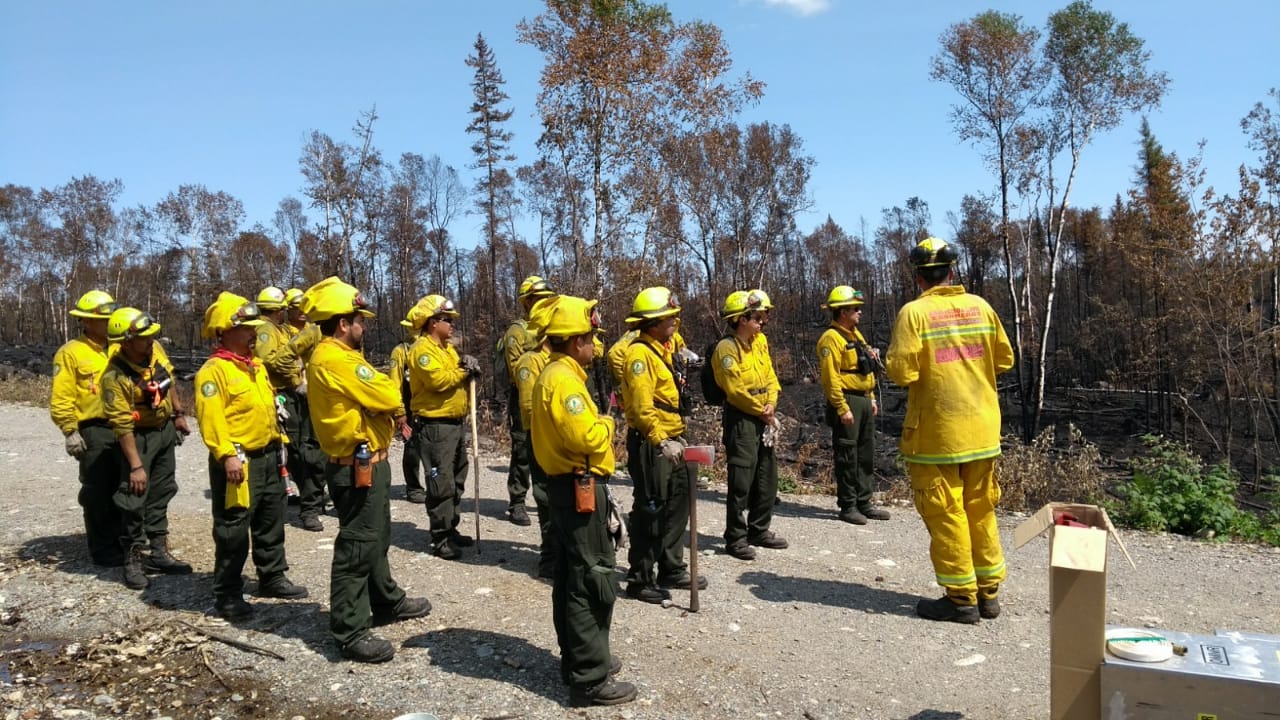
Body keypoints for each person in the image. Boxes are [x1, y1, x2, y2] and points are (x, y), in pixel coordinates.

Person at [885, 237, 1015, 624]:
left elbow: (901, 371)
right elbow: (1004, 359)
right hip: (983, 429)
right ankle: (988, 593)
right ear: (953, 271)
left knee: (946, 513)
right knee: (981, 509)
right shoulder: (982, 307)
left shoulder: (914, 314)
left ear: (918, 277)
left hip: (938, 434)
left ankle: (960, 599)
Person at [301, 276, 430, 662]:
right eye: (360, 319)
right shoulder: (334, 359)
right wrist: (379, 401)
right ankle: (350, 629)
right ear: (343, 323)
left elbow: (382, 396)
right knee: (358, 546)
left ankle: (386, 600)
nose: (365, 325)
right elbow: (390, 394)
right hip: (355, 466)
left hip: (371, 461)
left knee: (375, 538)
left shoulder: (344, 357)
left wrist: (375, 402)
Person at [530, 295, 635, 707]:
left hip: (570, 488)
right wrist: (608, 423)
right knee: (592, 578)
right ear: (576, 341)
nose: (597, 345)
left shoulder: (559, 374)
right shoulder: (563, 381)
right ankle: (590, 678)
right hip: (578, 490)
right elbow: (585, 437)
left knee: (574, 577)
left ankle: (582, 659)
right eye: (592, 337)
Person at [195, 292, 308, 620]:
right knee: (233, 526)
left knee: (271, 518)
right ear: (225, 331)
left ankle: (272, 576)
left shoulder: (255, 367)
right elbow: (212, 421)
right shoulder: (213, 373)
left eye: (254, 327)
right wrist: (227, 456)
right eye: (246, 328)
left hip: (270, 455)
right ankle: (227, 593)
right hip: (239, 461)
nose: (253, 333)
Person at [620, 287, 703, 604]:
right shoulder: (639, 355)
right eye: (668, 316)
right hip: (653, 443)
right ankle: (640, 577)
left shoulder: (664, 350)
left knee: (677, 504)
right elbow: (642, 409)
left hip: (673, 438)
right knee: (651, 509)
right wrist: (660, 440)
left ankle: (671, 566)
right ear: (652, 322)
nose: (674, 320)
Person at [100, 307, 193, 590]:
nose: (152, 340)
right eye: (145, 337)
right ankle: (133, 557)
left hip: (163, 430)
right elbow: (121, 425)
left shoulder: (154, 355)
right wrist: (136, 466)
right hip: (136, 439)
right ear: (127, 341)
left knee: (163, 489)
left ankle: (159, 550)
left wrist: (178, 415)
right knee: (134, 498)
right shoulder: (114, 378)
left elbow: (170, 380)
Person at [50, 290, 125, 567]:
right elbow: (62, 396)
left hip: (125, 426)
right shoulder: (71, 353)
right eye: (103, 319)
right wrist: (70, 430)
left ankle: (125, 542)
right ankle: (103, 548)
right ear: (86, 322)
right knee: (98, 491)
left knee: (125, 487)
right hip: (94, 429)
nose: (108, 323)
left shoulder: (120, 348)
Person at [711, 289, 787, 561]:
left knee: (767, 475)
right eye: (756, 317)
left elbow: (770, 375)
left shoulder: (760, 341)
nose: (762, 321)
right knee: (742, 478)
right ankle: (736, 537)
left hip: (763, 413)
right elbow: (735, 391)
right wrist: (760, 410)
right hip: (742, 418)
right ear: (741, 319)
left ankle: (759, 529)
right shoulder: (726, 349)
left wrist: (771, 402)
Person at [408, 295, 481, 560]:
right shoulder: (422, 351)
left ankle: (451, 527)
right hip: (436, 426)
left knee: (456, 479)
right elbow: (439, 381)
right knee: (441, 483)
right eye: (446, 320)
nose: (451, 325)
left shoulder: (446, 350)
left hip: (454, 424)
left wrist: (467, 366)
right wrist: (464, 371)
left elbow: (458, 377)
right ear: (431, 323)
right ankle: (439, 536)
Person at [816, 285, 891, 525]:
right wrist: (841, 407)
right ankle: (848, 505)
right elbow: (830, 378)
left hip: (863, 399)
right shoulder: (831, 339)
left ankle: (864, 501)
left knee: (866, 452)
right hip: (847, 399)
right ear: (842, 311)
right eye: (855, 309)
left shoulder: (855, 335)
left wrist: (870, 397)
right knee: (848, 454)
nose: (859, 312)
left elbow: (867, 367)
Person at [254, 286, 325, 531]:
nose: (299, 312)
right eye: (293, 308)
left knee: (311, 449)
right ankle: (309, 504)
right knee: (298, 450)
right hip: (289, 394)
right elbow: (271, 361)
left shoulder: (307, 331)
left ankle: (312, 500)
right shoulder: (270, 330)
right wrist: (296, 380)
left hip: (307, 393)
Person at [500, 275, 557, 526]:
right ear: (528, 302)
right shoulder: (518, 331)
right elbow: (515, 369)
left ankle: (548, 498)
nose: (545, 304)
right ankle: (517, 501)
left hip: (550, 394)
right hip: (524, 393)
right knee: (523, 448)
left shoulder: (551, 328)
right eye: (540, 299)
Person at [514, 296, 559, 579]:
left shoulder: (557, 361)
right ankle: (550, 557)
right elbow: (531, 409)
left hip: (560, 441)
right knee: (546, 497)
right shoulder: (530, 362)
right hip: (542, 440)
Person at [388, 307, 427, 504]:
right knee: (412, 448)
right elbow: (394, 384)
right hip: (410, 407)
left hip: (431, 407)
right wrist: (399, 412)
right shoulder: (400, 351)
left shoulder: (437, 348)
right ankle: (413, 487)